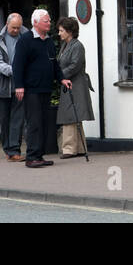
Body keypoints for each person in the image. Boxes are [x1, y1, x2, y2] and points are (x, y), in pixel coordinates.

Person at [13, 8, 59, 168]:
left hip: (45, 88)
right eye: (46, 21)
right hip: (31, 89)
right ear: (36, 23)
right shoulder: (25, 40)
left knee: (44, 122)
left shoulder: (48, 41)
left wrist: (62, 78)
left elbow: (54, 63)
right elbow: (17, 65)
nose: (49, 23)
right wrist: (19, 86)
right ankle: (31, 157)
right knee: (34, 123)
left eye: (49, 20)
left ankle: (39, 155)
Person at [55, 17, 94, 159]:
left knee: (70, 115)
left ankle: (69, 149)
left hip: (75, 84)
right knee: (73, 116)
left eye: (61, 31)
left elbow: (75, 65)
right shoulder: (66, 45)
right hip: (69, 83)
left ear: (70, 31)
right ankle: (78, 147)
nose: (59, 33)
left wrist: (59, 75)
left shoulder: (77, 46)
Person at [0, 12, 24, 162]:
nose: (16, 31)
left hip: (21, 85)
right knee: (4, 119)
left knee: (18, 119)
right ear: (7, 24)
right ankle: (8, 149)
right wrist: (15, 70)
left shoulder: (26, 37)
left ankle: (14, 150)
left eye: (18, 28)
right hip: (2, 86)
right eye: (13, 28)